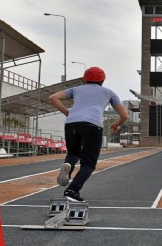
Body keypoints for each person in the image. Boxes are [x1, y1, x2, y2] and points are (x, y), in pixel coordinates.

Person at [48, 67, 129, 202]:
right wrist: (116, 124)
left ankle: (68, 164)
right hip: (92, 125)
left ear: (84, 79)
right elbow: (125, 115)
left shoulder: (76, 89)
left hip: (71, 123)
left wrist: (67, 113)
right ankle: (72, 191)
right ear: (103, 80)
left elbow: (53, 97)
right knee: (88, 164)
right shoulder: (108, 92)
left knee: (73, 153)